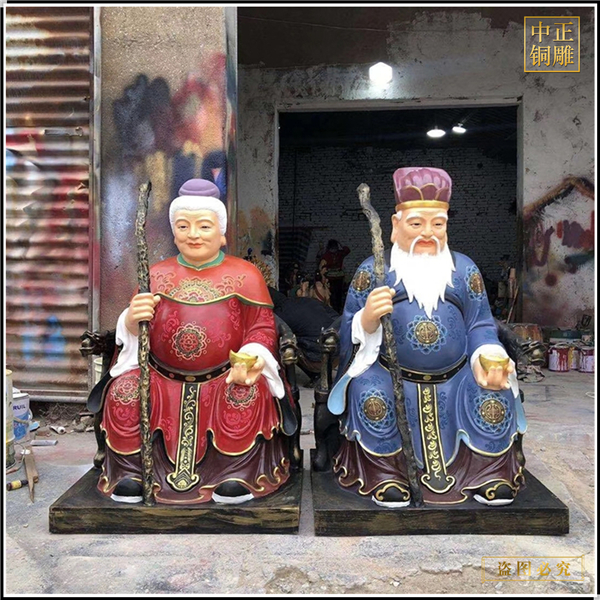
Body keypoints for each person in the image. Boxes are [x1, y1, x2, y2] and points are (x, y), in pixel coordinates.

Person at [327, 167, 527, 507]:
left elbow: (479, 323)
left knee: (493, 392)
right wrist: (368, 318)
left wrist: (488, 356)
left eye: (438, 224)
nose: (428, 234)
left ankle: (487, 473)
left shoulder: (465, 270)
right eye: (417, 224)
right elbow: (347, 328)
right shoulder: (372, 271)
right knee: (370, 394)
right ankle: (386, 474)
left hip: (457, 378)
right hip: (390, 373)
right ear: (395, 225)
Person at [97, 179, 296, 505]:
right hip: (161, 377)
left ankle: (236, 472)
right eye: (183, 226)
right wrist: (131, 320)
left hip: (223, 377)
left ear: (222, 233)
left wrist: (250, 358)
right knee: (125, 392)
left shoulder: (246, 275)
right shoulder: (155, 275)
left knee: (247, 393)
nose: (193, 234)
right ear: (174, 233)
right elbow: (134, 331)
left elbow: (261, 328)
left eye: (204, 226)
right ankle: (132, 471)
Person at [318, 239, 350, 313]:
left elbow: (347, 250)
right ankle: (336, 309)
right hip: (332, 278)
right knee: (334, 295)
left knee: (336, 295)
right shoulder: (331, 254)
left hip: (336, 277)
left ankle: (336, 309)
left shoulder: (337, 254)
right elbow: (321, 266)